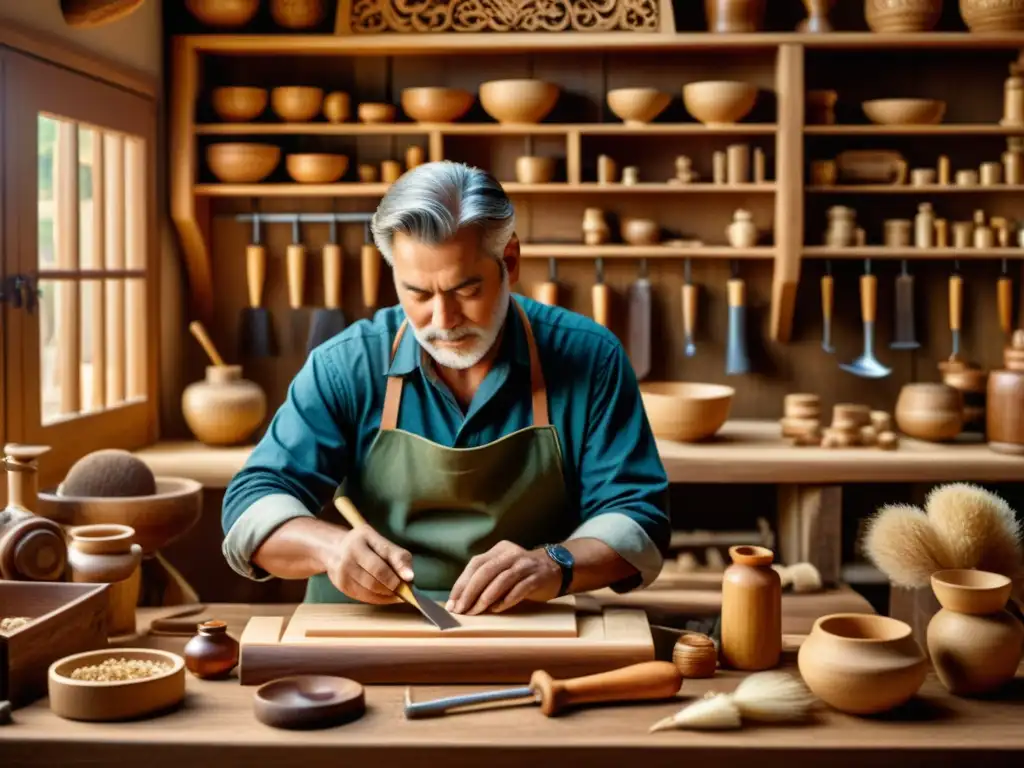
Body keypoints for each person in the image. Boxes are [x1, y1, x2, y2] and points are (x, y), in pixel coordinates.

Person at [220, 160, 670, 615]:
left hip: (524, 629)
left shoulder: (590, 357)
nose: (443, 321)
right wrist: (329, 548)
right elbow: (250, 503)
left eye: (466, 290)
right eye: (418, 294)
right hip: (358, 634)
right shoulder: (347, 364)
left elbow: (638, 516)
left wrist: (556, 562)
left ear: (509, 262)